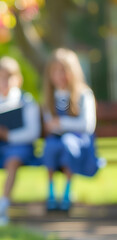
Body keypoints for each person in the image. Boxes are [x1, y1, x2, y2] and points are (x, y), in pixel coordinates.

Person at [0, 56, 41, 225]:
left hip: (22, 149)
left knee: (13, 159)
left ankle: (3, 203)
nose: (4, 82)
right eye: (0, 77)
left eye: (8, 77)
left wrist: (8, 135)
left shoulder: (27, 101)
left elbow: (33, 132)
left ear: (18, 79)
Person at [42, 48, 99, 212]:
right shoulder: (50, 96)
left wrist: (61, 123)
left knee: (68, 144)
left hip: (79, 141)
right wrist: (56, 126)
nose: (60, 76)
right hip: (56, 139)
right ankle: (51, 191)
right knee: (50, 146)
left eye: (63, 71)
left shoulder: (83, 94)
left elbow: (87, 125)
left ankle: (67, 191)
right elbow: (49, 124)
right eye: (55, 71)